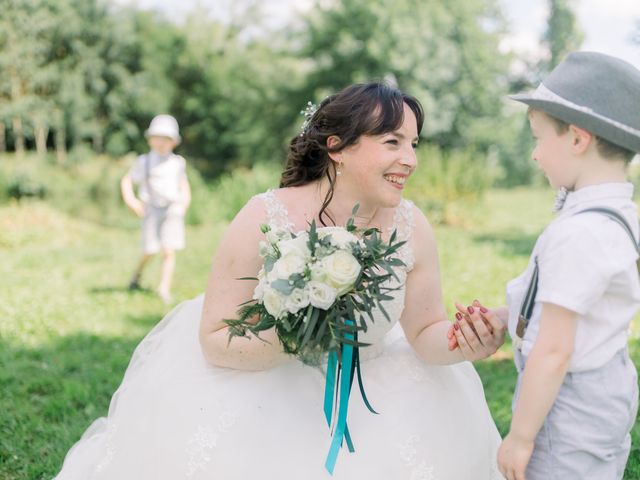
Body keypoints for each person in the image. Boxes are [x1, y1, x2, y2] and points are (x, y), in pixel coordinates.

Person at [56, 83, 505, 479]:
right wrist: (302, 336)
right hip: (269, 384)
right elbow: (215, 339)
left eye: (414, 144)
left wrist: (463, 342)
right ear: (337, 148)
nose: (410, 160)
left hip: (379, 390)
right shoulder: (264, 215)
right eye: (392, 142)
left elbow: (425, 331)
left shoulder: (411, 225)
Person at [453, 52, 640, 480]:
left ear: (577, 139)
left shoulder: (579, 234)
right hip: (605, 389)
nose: (535, 155)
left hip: (569, 405)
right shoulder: (614, 215)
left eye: (539, 139)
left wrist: (520, 437)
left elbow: (554, 351)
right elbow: (581, 311)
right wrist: (510, 319)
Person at [120, 114, 191, 304]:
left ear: (173, 142)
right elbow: (127, 180)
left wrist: (184, 203)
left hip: (172, 210)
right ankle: (137, 274)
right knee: (150, 249)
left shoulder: (177, 163)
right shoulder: (144, 161)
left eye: (166, 139)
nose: (161, 143)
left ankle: (163, 288)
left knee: (169, 250)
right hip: (151, 209)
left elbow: (184, 186)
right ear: (150, 139)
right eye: (157, 138)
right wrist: (131, 200)